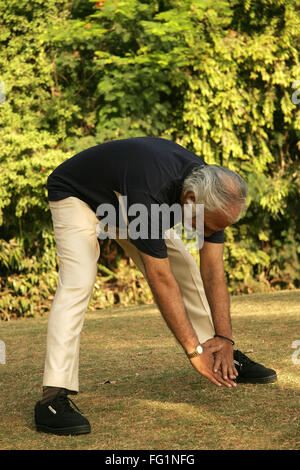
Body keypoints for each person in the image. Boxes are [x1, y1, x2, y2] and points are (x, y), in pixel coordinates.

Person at [34, 137, 277, 436]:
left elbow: (213, 271)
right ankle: (52, 398)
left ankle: (216, 352)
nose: (210, 234)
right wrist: (191, 351)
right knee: (78, 281)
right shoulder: (151, 190)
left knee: (186, 266)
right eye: (208, 227)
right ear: (189, 200)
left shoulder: (211, 195)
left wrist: (225, 337)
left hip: (123, 197)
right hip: (77, 195)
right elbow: (160, 279)